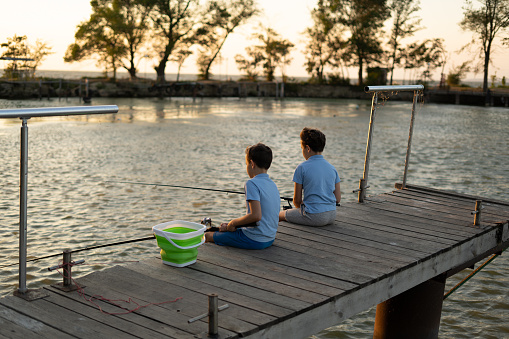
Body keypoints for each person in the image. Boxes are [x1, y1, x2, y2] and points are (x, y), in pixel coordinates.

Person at [204, 143, 280, 249]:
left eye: (246, 164)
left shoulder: (251, 183)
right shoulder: (273, 184)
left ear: (252, 164)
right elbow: (258, 220)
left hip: (255, 239)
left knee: (207, 235)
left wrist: (233, 223)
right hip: (269, 239)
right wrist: (232, 225)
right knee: (225, 229)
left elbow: (256, 216)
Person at [279, 127, 341, 226]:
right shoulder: (332, 168)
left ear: (307, 148)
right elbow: (337, 198)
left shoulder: (302, 168)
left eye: (302, 148)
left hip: (314, 217)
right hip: (332, 215)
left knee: (279, 215)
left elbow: (297, 201)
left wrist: (304, 207)